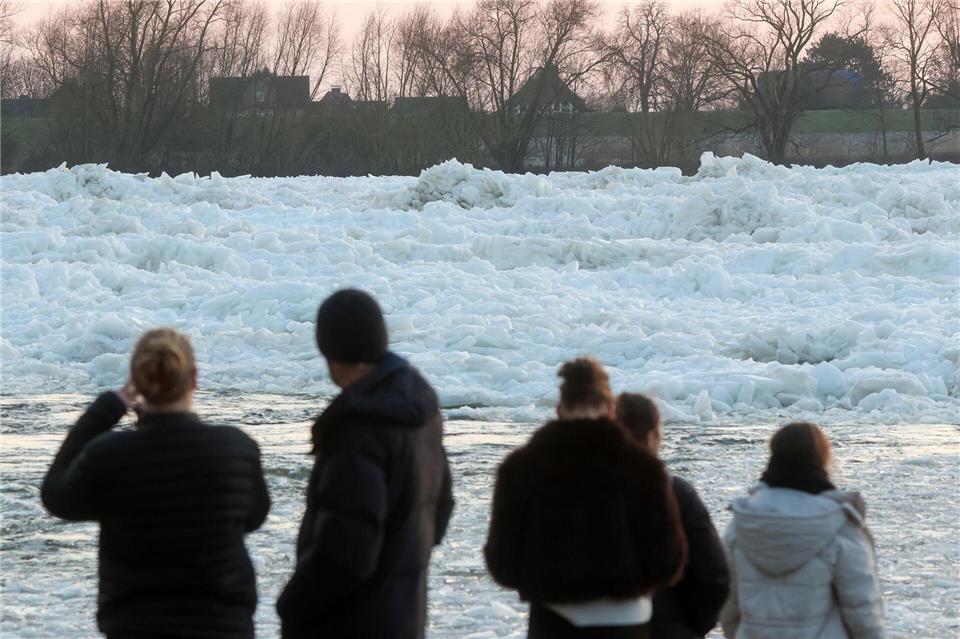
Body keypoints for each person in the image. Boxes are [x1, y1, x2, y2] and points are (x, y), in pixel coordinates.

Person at [41, 327, 270, 639]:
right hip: (223, 626)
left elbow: (56, 495)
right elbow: (254, 516)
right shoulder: (236, 449)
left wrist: (114, 403)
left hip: (135, 628)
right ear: (193, 378)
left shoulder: (109, 455)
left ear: (138, 380)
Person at [277, 288, 454, 639]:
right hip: (405, 614)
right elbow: (442, 506)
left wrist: (293, 605)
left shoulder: (358, 430)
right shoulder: (419, 409)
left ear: (329, 351)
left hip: (352, 622)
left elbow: (347, 551)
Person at [485, 357, 687, 639]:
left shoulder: (520, 468)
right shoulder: (644, 469)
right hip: (626, 619)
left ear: (559, 409)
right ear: (609, 410)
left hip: (552, 617)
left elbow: (501, 562)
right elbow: (667, 560)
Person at [719, 422, 885, 639]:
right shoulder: (837, 524)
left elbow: (728, 606)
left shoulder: (743, 523)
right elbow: (863, 612)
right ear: (822, 457)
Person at [616, 393, 730, 639]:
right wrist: (690, 627)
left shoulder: (573, 494)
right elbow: (714, 576)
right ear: (651, 436)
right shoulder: (676, 494)